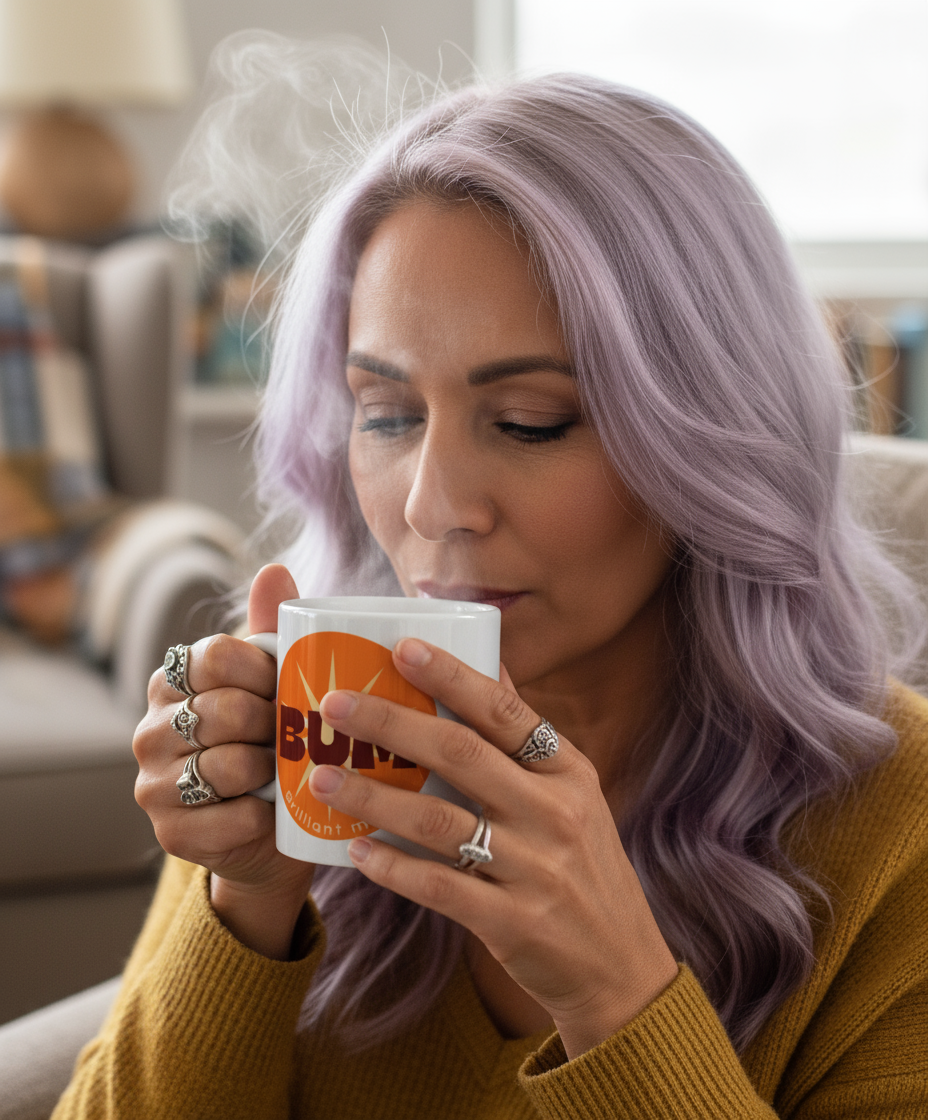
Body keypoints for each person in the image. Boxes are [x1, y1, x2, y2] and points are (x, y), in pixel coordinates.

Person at [54, 67, 928, 1119]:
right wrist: (244, 898)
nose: (433, 507)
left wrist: (616, 996)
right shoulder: (313, 714)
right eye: (386, 414)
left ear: (714, 439)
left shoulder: (900, 834)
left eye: (527, 422)